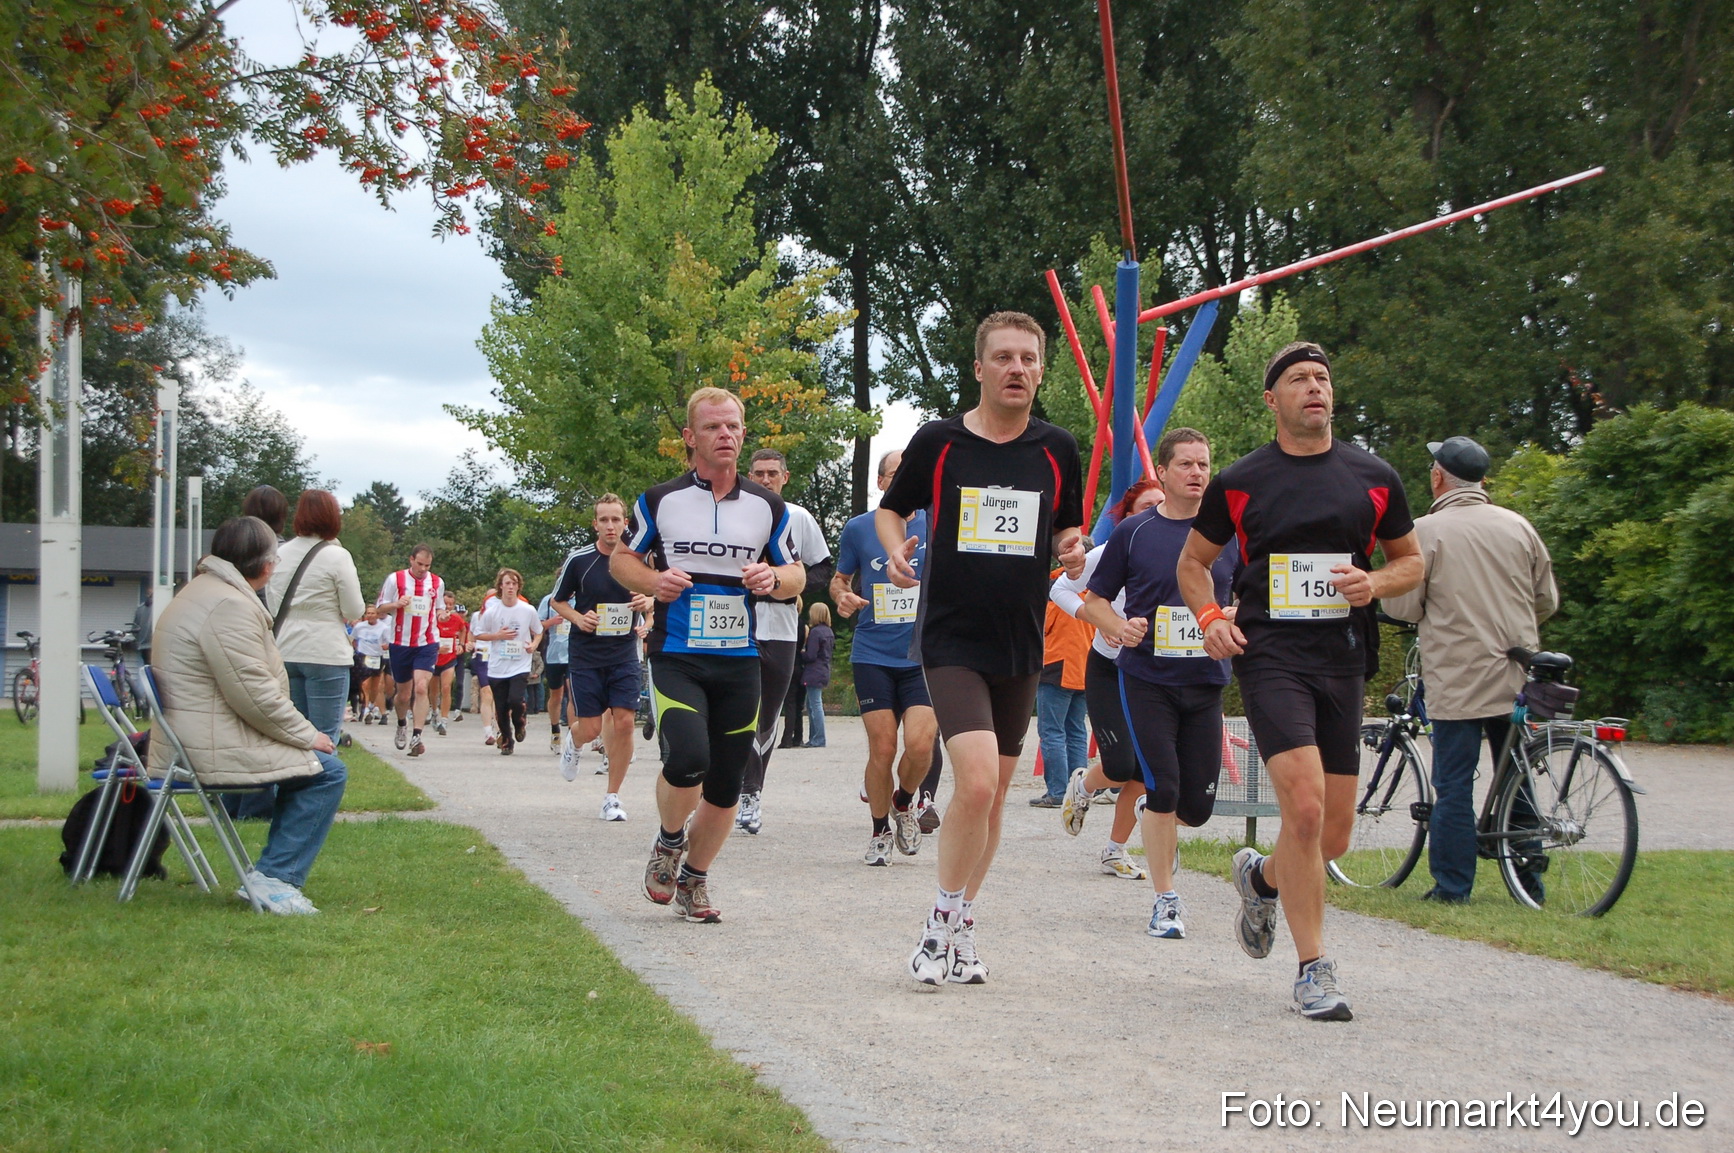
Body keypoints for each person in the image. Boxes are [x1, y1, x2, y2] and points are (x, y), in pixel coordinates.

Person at [1179, 341, 1421, 1021]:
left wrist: (1375, 582)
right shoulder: (1241, 480)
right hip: (1271, 658)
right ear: (1272, 399)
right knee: (1305, 812)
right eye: (1298, 379)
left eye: (1322, 377)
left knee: (1330, 836)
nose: (1314, 387)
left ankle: (1260, 877)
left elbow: (1411, 561)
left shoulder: (1374, 476)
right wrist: (1209, 618)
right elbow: (1193, 563)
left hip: (1343, 658)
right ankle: (1314, 969)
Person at [878, 311, 1085, 987]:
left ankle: (964, 921)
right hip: (951, 636)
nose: (1016, 368)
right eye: (1003, 357)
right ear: (978, 368)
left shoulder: (1058, 448)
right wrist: (896, 552)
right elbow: (891, 509)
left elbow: (1067, 527)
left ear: (1041, 370)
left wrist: (1071, 547)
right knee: (975, 781)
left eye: (1028, 358)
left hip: (1019, 642)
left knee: (991, 802)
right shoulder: (939, 442)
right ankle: (937, 926)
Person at [611, 387, 804, 924]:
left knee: (726, 783)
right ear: (689, 437)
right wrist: (654, 581)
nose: (725, 435)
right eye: (713, 427)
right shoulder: (660, 500)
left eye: (733, 426)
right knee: (688, 758)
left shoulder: (768, 506)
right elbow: (621, 561)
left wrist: (773, 578)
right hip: (677, 653)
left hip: (740, 658)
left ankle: (694, 879)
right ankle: (669, 839)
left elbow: (796, 575)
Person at [1078, 433, 1242, 936]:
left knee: (1197, 808)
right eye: (1186, 464)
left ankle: (1154, 812)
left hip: (1206, 681)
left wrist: (1236, 614)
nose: (1197, 473)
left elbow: (1254, 596)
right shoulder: (1135, 531)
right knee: (1164, 785)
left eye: (1204, 464)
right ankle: (1166, 900)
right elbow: (1093, 601)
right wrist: (1118, 626)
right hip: (1147, 678)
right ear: (1164, 473)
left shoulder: (1230, 533)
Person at [1382, 436, 1559, 904]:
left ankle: (1453, 885)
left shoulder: (1426, 531)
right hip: (1517, 672)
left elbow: (1404, 605)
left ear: (1438, 477)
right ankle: (1529, 882)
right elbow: (1546, 599)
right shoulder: (1519, 526)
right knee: (1517, 775)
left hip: (1457, 673)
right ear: (1482, 480)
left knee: (1454, 783)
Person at [148, 516, 346, 915]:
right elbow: (254, 695)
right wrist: (308, 735)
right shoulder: (229, 605)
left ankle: (272, 873)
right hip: (207, 744)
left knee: (313, 766)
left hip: (192, 737)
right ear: (264, 564)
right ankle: (276, 879)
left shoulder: (203, 591)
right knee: (327, 772)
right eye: (273, 558)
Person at [832, 448, 945, 866]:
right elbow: (839, 579)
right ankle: (880, 831)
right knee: (882, 749)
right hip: (873, 653)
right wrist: (842, 595)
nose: (904, 480)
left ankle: (904, 800)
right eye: (896, 474)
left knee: (920, 744)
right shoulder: (860, 528)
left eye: (911, 473)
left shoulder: (940, 523)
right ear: (881, 482)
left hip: (925, 655)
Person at [1051, 478, 1167, 883]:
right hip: (1109, 668)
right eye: (1147, 507)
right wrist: (1099, 619)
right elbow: (1061, 589)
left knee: (1145, 770)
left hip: (1156, 673)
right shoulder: (1113, 549)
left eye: (1162, 504)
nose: (1157, 513)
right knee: (1119, 766)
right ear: (1128, 518)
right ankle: (1084, 786)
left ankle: (1115, 851)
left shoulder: (1184, 548)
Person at [735, 449, 833, 835]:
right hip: (734, 624)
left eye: (772, 473)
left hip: (780, 627)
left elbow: (823, 568)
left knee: (768, 716)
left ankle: (752, 793)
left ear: (785, 477)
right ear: (748, 475)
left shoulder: (798, 517)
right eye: (758, 473)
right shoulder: (732, 513)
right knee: (732, 711)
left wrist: (792, 586)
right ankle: (728, 791)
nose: (765, 480)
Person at [552, 495, 654, 818]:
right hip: (587, 654)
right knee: (592, 728)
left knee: (624, 722)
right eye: (604, 520)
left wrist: (648, 603)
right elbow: (557, 601)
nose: (611, 526)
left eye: (616, 520)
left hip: (624, 653)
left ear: (626, 523)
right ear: (595, 524)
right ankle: (574, 740)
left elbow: (658, 592)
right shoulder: (579, 560)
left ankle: (612, 797)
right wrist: (578, 618)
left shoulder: (641, 559)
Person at [266, 490, 366, 742]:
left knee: (294, 737)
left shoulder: (279, 554)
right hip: (325, 651)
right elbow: (354, 610)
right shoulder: (337, 556)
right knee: (324, 738)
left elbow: (272, 604)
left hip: (286, 649)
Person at [1034, 551, 1095, 808]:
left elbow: (1041, 624)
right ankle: (1078, 792)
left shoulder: (1054, 586)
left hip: (1057, 666)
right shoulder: (1098, 588)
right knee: (1077, 731)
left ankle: (1058, 792)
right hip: (1086, 667)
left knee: (1052, 732)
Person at [376, 545, 447, 757]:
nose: (423, 569)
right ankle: (401, 724)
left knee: (422, 687)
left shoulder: (437, 582)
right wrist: (397, 604)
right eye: (420, 564)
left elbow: (439, 607)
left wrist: (442, 614)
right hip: (401, 642)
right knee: (403, 694)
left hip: (427, 642)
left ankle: (417, 736)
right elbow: (380, 608)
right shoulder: (395, 579)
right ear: (411, 560)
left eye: (427, 566)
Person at [472, 568, 543, 755]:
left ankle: (519, 722)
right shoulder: (492, 612)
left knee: (515, 699)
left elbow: (538, 631)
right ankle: (507, 740)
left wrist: (534, 644)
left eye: (514, 583)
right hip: (498, 665)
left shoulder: (527, 610)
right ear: (500, 587)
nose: (511, 587)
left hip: (520, 663)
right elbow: (478, 633)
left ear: (518, 587)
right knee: (501, 706)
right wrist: (497, 635)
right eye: (507, 583)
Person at [536, 585, 570, 752]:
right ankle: (555, 731)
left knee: (574, 694)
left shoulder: (583, 598)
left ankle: (572, 736)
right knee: (556, 695)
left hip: (576, 655)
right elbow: (536, 626)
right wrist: (551, 622)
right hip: (554, 655)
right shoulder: (549, 600)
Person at [433, 591, 470, 735]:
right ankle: (434, 711)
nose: (448, 607)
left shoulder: (456, 618)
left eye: (450, 604)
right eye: (445, 604)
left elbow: (463, 629)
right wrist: (436, 648)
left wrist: (461, 644)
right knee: (433, 690)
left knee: (446, 687)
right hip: (434, 658)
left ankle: (444, 720)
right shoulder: (433, 618)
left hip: (449, 658)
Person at [800, 602, 834, 747]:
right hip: (824, 669)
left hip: (813, 671)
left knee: (815, 704)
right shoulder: (829, 631)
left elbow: (811, 655)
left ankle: (819, 738)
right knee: (812, 704)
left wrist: (801, 653)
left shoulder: (815, 632)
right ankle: (814, 737)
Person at [351, 605, 391, 724]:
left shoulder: (383, 628)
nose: (370, 615)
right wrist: (357, 650)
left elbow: (389, 642)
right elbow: (353, 639)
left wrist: (386, 646)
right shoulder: (359, 627)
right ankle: (366, 708)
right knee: (365, 683)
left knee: (375, 686)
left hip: (377, 657)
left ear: (377, 615)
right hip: (363, 656)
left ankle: (372, 705)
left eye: (373, 613)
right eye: (368, 613)